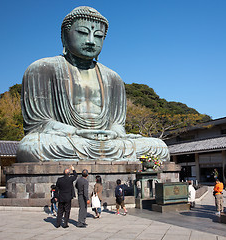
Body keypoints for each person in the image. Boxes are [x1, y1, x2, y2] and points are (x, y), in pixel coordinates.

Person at [16, 6, 170, 163]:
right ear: (64, 36)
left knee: (159, 147)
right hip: (68, 139)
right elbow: (39, 124)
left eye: (98, 36)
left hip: (108, 142)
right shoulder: (42, 69)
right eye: (82, 33)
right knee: (32, 146)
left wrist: (114, 133)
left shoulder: (113, 78)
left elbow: (117, 124)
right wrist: (76, 132)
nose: (90, 41)